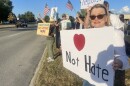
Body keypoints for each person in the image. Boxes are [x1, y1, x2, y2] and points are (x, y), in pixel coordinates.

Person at [83, 4, 129, 86]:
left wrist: (119, 62)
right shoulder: (88, 33)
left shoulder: (115, 33)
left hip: (104, 78)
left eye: (100, 16)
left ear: (106, 18)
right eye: (93, 16)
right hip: (89, 74)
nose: (96, 19)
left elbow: (123, 58)